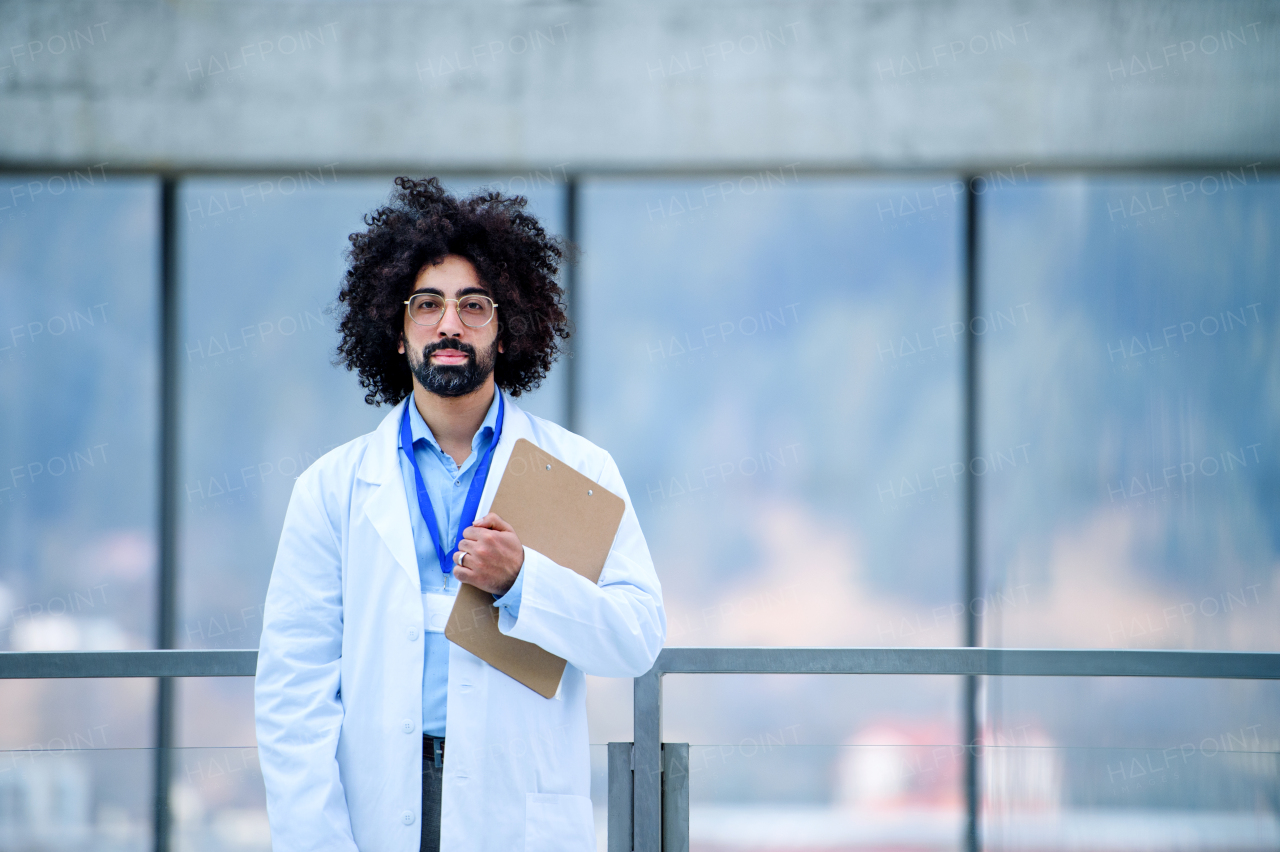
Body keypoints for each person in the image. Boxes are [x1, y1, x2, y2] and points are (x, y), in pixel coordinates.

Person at [254, 176, 666, 852]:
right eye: (427, 305)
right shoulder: (330, 489)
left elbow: (637, 637)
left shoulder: (576, 472)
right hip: (379, 803)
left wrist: (522, 581)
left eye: (474, 305)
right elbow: (293, 693)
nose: (450, 323)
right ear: (396, 331)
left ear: (506, 332)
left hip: (515, 810)